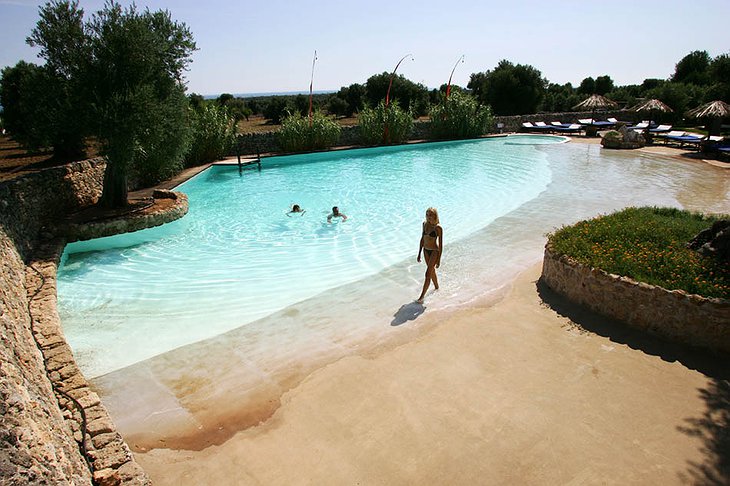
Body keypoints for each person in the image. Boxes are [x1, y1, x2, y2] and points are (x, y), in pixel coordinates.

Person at [416, 207, 442, 304]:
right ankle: (437, 288)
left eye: (430, 215)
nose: (428, 217)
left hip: (434, 252)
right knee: (431, 271)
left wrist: (439, 259)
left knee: (427, 274)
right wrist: (419, 253)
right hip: (425, 251)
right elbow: (422, 239)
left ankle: (421, 297)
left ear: (435, 216)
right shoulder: (424, 224)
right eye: (427, 214)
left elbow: (440, 245)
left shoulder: (438, 228)